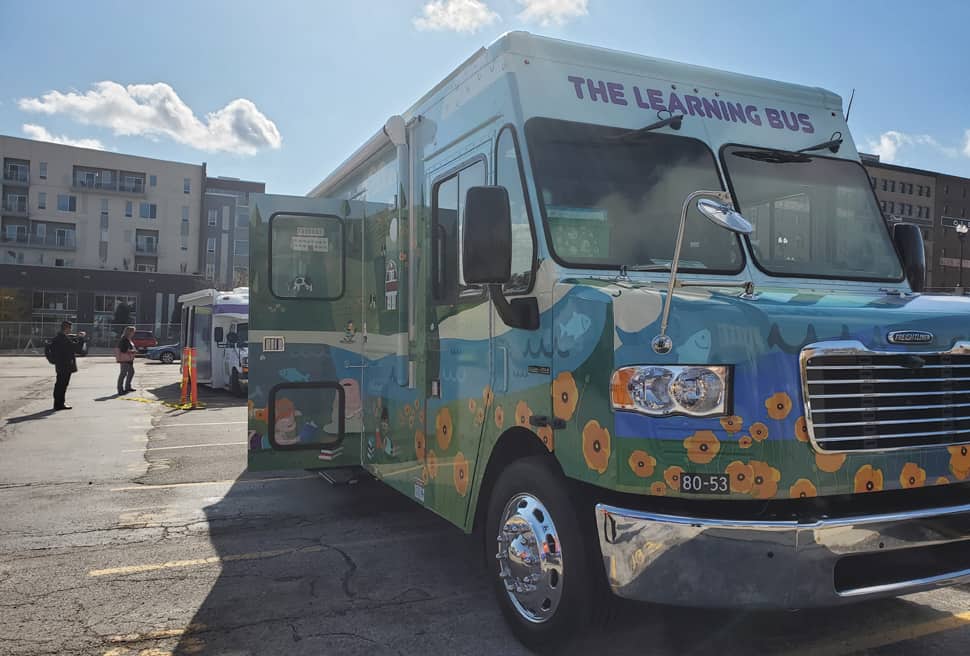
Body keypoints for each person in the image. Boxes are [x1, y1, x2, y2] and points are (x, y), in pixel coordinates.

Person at [50, 320, 85, 411]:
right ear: (66, 328)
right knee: (62, 384)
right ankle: (59, 404)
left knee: (59, 384)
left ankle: (58, 403)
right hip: (65, 365)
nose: (71, 330)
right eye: (70, 328)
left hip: (60, 364)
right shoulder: (64, 339)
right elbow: (77, 349)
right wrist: (81, 338)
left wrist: (74, 338)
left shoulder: (58, 338)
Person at [116, 326, 137, 395]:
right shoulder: (124, 339)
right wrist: (133, 351)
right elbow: (123, 350)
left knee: (131, 372)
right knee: (123, 374)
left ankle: (127, 387)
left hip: (129, 359)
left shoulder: (128, 339)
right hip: (125, 359)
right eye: (133, 331)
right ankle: (120, 390)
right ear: (129, 332)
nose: (134, 333)